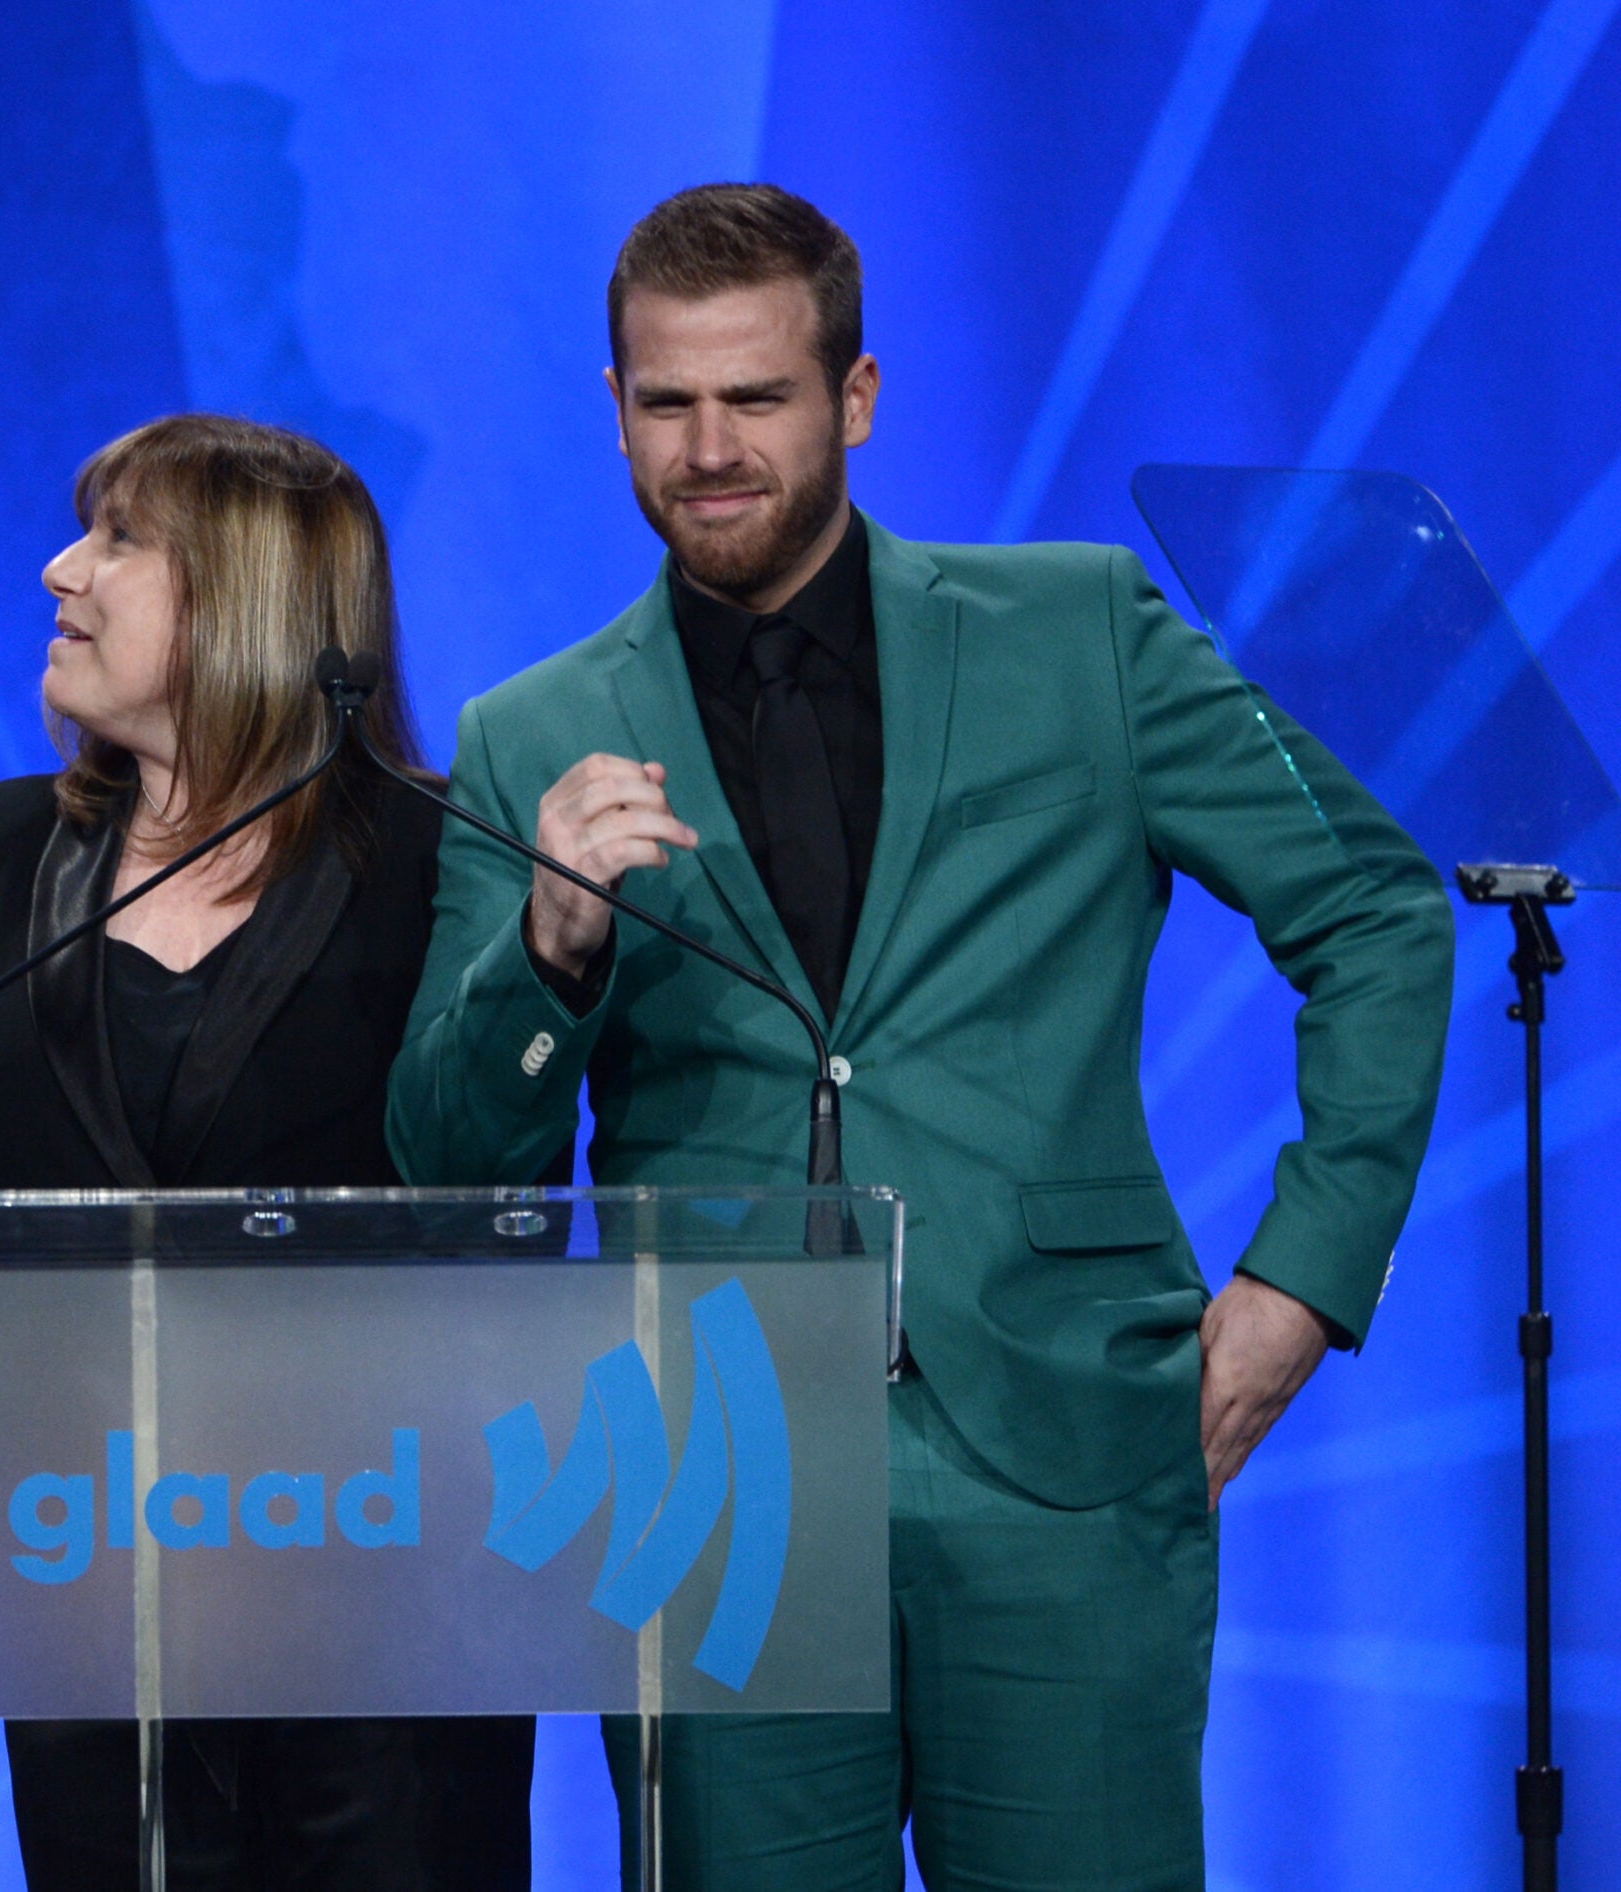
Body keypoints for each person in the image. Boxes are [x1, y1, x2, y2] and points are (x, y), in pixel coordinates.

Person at [386, 183, 1454, 1888]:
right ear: (614, 413)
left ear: (857, 399)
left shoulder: (1082, 632)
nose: (710, 447)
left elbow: (1380, 914)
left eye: (759, 399)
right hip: (714, 1491)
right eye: (667, 404)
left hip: (1060, 1457)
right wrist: (550, 947)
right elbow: (449, 1158)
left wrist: (1304, 1286)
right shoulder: (533, 735)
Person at [0, 413, 533, 1888]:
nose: (60, 572)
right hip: (85, 1587)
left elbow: (499, 1192)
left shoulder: (441, 863)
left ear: (242, 600)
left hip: (382, 1599)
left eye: (117, 543)